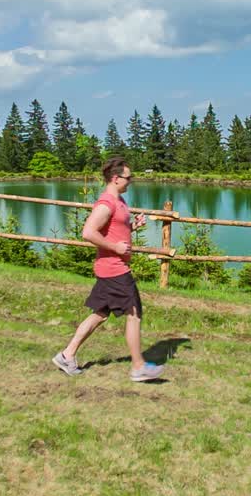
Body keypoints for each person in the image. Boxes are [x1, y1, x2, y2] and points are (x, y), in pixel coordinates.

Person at [52, 157, 166, 383]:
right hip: (114, 270)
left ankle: (67, 355)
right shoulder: (106, 203)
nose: (131, 181)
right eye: (128, 177)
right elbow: (88, 232)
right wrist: (114, 247)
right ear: (115, 179)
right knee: (134, 314)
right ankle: (138, 367)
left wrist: (133, 226)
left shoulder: (120, 201)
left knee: (100, 314)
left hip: (110, 269)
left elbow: (115, 231)